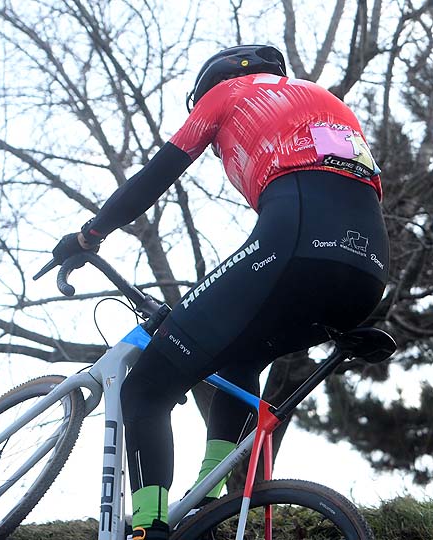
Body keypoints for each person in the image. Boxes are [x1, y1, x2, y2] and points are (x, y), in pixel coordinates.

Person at [52, 45, 389, 540]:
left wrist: (88, 236)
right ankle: (209, 500)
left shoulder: (228, 94)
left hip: (296, 246)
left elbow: (155, 176)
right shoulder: (328, 103)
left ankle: (148, 527)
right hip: (368, 270)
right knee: (241, 360)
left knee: (145, 389)